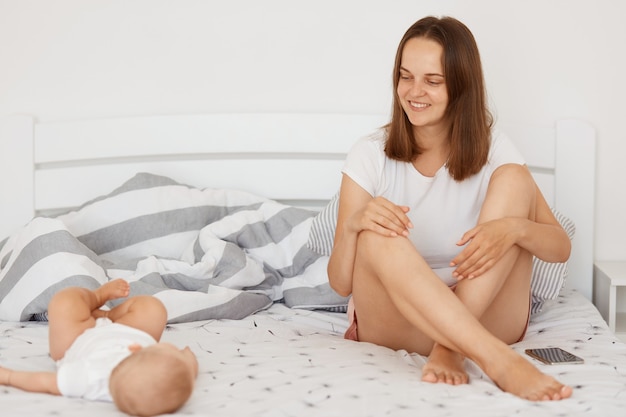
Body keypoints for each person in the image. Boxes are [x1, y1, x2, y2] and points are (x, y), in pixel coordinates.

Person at [327, 16, 573, 401]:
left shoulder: (496, 148)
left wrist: (515, 228)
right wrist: (355, 225)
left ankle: (451, 348)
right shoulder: (370, 153)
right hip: (399, 321)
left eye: (432, 80)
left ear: (461, 86)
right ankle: (497, 360)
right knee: (375, 233)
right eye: (405, 76)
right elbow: (341, 284)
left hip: (486, 312)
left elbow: (560, 248)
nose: (414, 92)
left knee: (515, 181)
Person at [0, 279, 199, 416]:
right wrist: (187, 360)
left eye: (166, 349)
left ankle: (96, 297)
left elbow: (44, 382)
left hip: (78, 338)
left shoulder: (89, 378)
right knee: (153, 308)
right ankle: (106, 316)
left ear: (136, 350)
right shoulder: (171, 379)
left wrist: (8, 377)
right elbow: (183, 373)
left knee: (64, 302)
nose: (172, 348)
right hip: (124, 328)